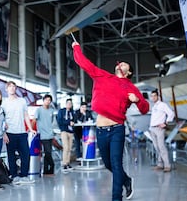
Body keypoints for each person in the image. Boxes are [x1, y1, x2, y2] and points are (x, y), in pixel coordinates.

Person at [72, 42, 149, 200]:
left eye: (125, 64)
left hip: (116, 130)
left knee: (116, 164)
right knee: (108, 164)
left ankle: (116, 198)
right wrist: (76, 47)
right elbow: (84, 63)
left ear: (129, 72)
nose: (121, 63)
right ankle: (126, 180)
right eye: (120, 62)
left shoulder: (131, 88)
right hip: (101, 131)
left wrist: (137, 100)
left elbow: (145, 109)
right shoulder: (103, 76)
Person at [2, 81, 37, 185]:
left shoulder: (22, 101)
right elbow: (1, 118)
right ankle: (14, 176)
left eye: (14, 86)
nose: (12, 88)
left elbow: (26, 115)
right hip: (10, 133)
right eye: (10, 86)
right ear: (6, 89)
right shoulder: (4, 102)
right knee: (11, 155)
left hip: (22, 132)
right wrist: (4, 132)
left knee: (25, 154)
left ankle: (24, 175)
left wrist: (30, 129)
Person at [149, 89, 174, 172]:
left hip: (159, 129)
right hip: (152, 128)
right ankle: (160, 164)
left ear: (158, 96)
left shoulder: (162, 105)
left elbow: (171, 114)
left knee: (161, 147)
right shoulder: (154, 106)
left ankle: (167, 165)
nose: (153, 97)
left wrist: (165, 123)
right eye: (151, 96)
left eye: (154, 96)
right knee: (156, 147)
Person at [33, 94, 55, 175]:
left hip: (50, 134)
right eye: (46, 100)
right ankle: (52, 166)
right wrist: (32, 130)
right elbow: (34, 120)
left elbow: (52, 121)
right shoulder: (39, 110)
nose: (48, 101)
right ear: (43, 100)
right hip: (42, 135)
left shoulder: (51, 110)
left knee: (47, 152)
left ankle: (46, 171)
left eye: (49, 100)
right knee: (48, 152)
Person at [56, 98, 75, 172]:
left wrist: (73, 123)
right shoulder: (62, 111)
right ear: (66, 104)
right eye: (68, 103)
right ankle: (64, 163)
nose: (69, 105)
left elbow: (74, 120)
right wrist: (68, 122)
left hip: (71, 131)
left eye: (71, 103)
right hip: (64, 131)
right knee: (66, 147)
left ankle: (68, 163)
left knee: (70, 148)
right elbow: (60, 121)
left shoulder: (72, 112)